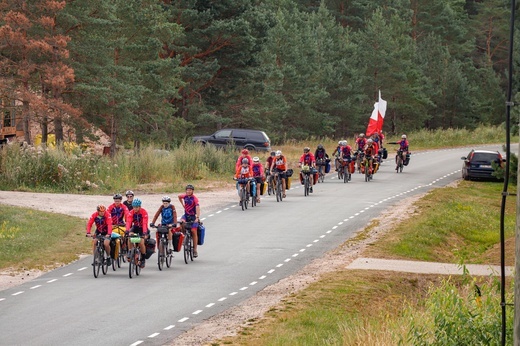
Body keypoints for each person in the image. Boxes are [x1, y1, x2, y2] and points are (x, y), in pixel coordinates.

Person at [178, 184, 201, 258]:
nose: (188, 191)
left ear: (192, 191)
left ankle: (195, 250)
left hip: (193, 216)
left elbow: (197, 208)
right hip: (186, 215)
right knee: (181, 222)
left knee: (194, 231)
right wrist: (183, 205)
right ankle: (184, 236)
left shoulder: (195, 199)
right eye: (187, 190)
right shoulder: (184, 196)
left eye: (190, 190)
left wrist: (197, 217)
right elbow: (179, 196)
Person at [125, 198, 149, 268]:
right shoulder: (131, 212)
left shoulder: (144, 212)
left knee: (141, 243)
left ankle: (143, 258)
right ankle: (130, 251)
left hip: (142, 228)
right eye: (134, 207)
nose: (135, 209)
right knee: (129, 237)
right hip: (135, 227)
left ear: (140, 207)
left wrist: (144, 233)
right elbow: (128, 222)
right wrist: (127, 230)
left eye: (136, 207)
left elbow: (144, 223)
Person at [107, 193, 129, 260]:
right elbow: (107, 215)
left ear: (120, 201)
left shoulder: (124, 207)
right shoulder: (110, 207)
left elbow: (127, 214)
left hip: (121, 224)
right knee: (111, 237)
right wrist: (110, 223)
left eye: (118, 201)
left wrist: (127, 222)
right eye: (116, 201)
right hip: (113, 225)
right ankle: (112, 251)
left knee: (126, 234)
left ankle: (124, 247)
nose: (117, 202)